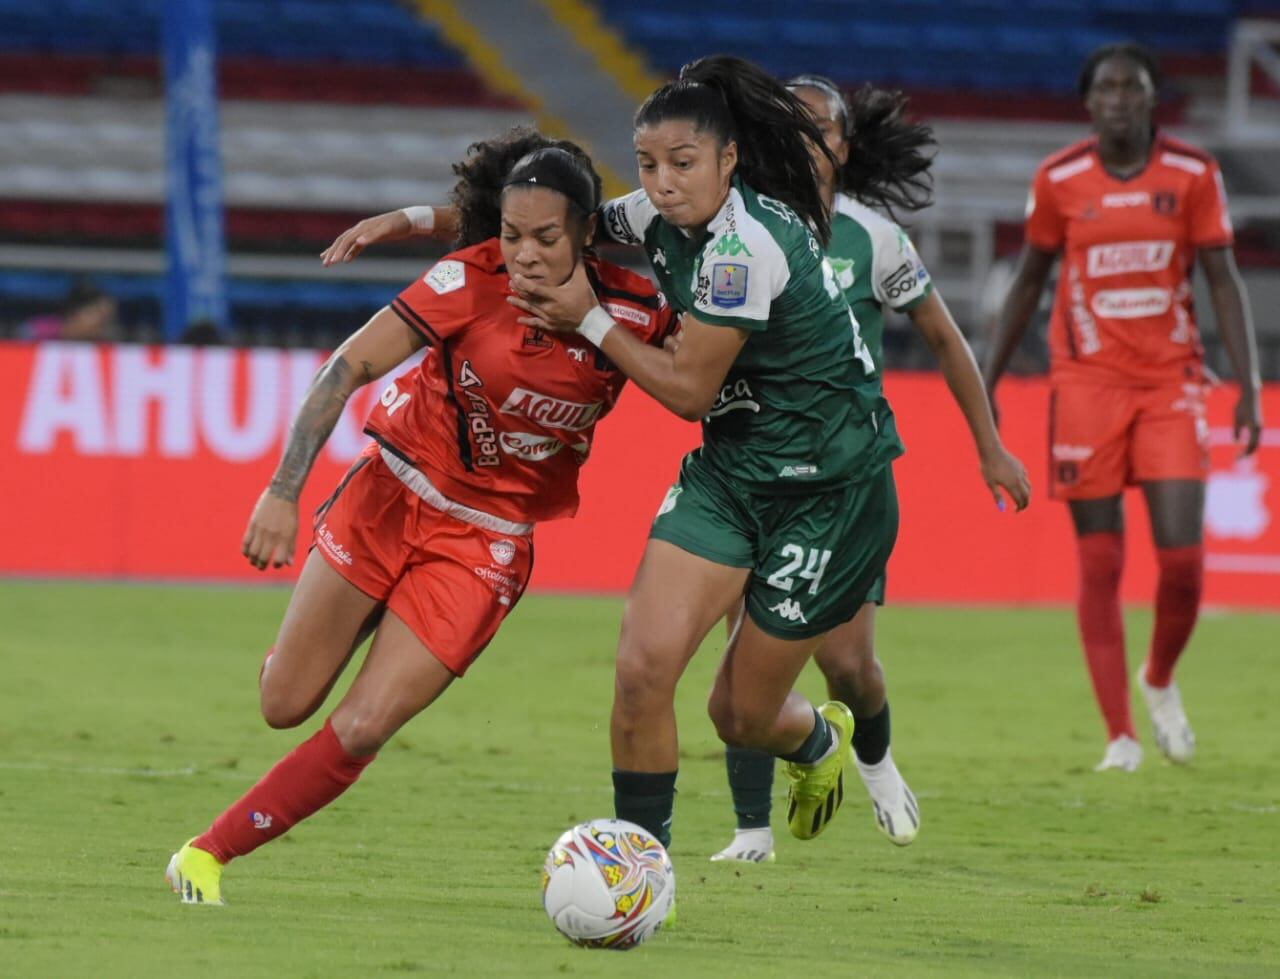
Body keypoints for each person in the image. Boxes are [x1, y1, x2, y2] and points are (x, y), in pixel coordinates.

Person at [323, 68, 1032, 862]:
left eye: (683, 162)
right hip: (733, 473)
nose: (661, 183)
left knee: (739, 714)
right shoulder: (658, 213)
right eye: (648, 163)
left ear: (729, 160)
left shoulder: (744, 247)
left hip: (830, 489)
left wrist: (589, 318)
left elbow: (690, 391)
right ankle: (643, 873)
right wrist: (414, 218)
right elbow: (549, 224)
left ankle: (814, 744)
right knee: (641, 669)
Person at [165, 129, 675, 904]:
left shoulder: (637, 312)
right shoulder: (469, 278)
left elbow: (709, 357)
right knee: (284, 703)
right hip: (389, 494)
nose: (526, 255)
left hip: (486, 542)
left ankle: (207, 852)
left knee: (365, 726)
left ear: (585, 233)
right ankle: (344, 616)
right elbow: (348, 367)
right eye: (510, 236)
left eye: (545, 238)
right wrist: (282, 488)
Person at [700, 76, 1031, 863]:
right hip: (749, 467)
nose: (808, 139)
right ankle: (751, 831)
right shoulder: (734, 230)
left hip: (843, 481)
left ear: (844, 147)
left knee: (849, 664)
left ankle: (876, 761)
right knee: (743, 649)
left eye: (823, 128)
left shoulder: (872, 237)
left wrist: (989, 444)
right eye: (793, 125)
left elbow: (946, 339)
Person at [984, 44, 1263, 772]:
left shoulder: (1195, 175)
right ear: (1088, 101)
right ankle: (1121, 734)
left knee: (1183, 562)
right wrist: (985, 376)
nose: (1117, 99)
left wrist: (1251, 385)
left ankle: (1160, 678)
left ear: (1150, 99)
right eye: (1105, 88)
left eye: (1130, 88)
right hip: (1085, 384)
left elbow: (1225, 281)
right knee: (1101, 559)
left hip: (1172, 382)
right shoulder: (1060, 179)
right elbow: (1028, 281)